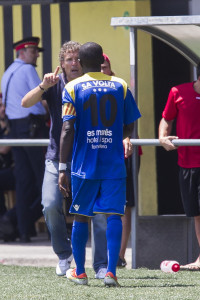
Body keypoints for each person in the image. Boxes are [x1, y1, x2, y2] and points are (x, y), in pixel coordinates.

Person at [58, 42, 141, 286]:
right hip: (113, 163)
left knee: (81, 215)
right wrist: (116, 136)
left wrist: (63, 168)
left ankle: (80, 273)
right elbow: (129, 124)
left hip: (84, 164)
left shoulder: (72, 87)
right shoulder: (121, 85)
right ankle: (110, 272)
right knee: (114, 214)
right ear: (101, 60)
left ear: (81, 63)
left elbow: (67, 128)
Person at [21, 41, 83, 275]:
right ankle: (64, 255)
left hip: (84, 157)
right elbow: (25, 102)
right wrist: (43, 86)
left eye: (77, 58)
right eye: (69, 59)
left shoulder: (89, 84)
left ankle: (96, 262)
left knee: (88, 211)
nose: (74, 63)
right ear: (62, 64)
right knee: (50, 204)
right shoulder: (55, 85)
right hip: (55, 158)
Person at [1, 37, 47, 242]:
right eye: (33, 51)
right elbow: (36, 102)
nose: (36, 54)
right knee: (45, 178)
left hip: (16, 129)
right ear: (22, 52)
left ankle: (23, 230)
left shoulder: (8, 71)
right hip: (31, 127)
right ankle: (54, 231)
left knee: (23, 181)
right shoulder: (28, 70)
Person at [159, 62, 200, 270]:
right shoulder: (178, 92)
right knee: (197, 212)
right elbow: (166, 119)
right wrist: (162, 137)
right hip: (188, 163)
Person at [0, 93, 15, 218]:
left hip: (14, 170)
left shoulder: (15, 124)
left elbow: (4, 149)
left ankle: (6, 220)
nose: (3, 109)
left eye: (5, 105)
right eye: (0, 106)